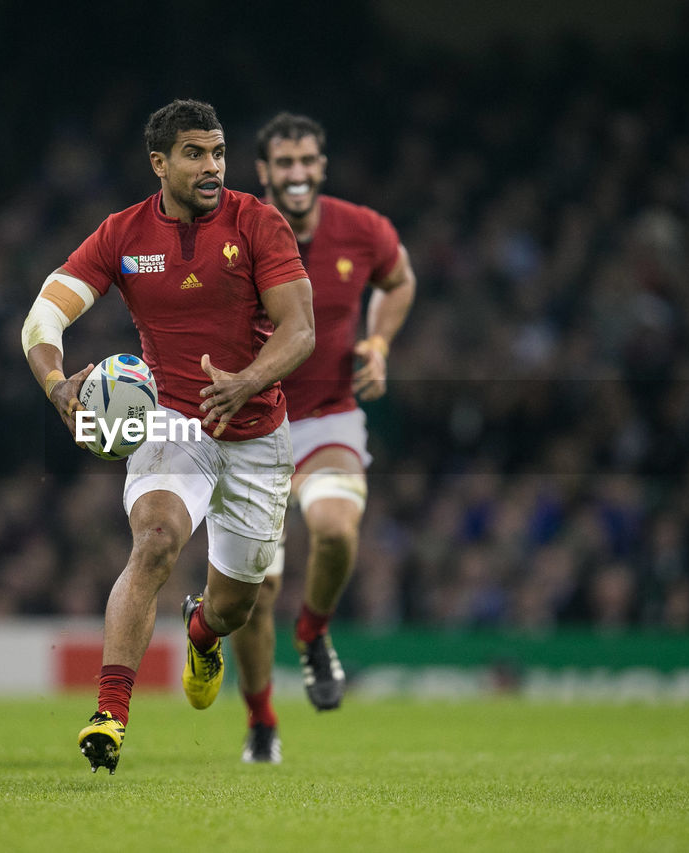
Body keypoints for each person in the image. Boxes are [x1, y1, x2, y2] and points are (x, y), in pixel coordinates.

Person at [22, 99, 314, 774]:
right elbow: (43, 314)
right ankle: (110, 711)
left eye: (217, 152)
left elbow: (300, 330)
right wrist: (57, 384)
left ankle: (201, 630)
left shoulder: (258, 223)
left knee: (238, 603)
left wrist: (246, 380)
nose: (211, 165)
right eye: (194, 153)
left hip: (257, 429)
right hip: (172, 416)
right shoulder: (122, 235)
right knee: (154, 541)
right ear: (159, 162)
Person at [229, 113, 416, 763]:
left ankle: (312, 633)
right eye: (284, 164)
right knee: (254, 596)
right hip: (251, 426)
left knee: (336, 528)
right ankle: (261, 721)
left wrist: (378, 340)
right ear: (263, 172)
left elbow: (400, 279)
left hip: (329, 416)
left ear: (323, 163)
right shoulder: (236, 231)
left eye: (308, 160)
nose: (298, 174)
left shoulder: (362, 229)